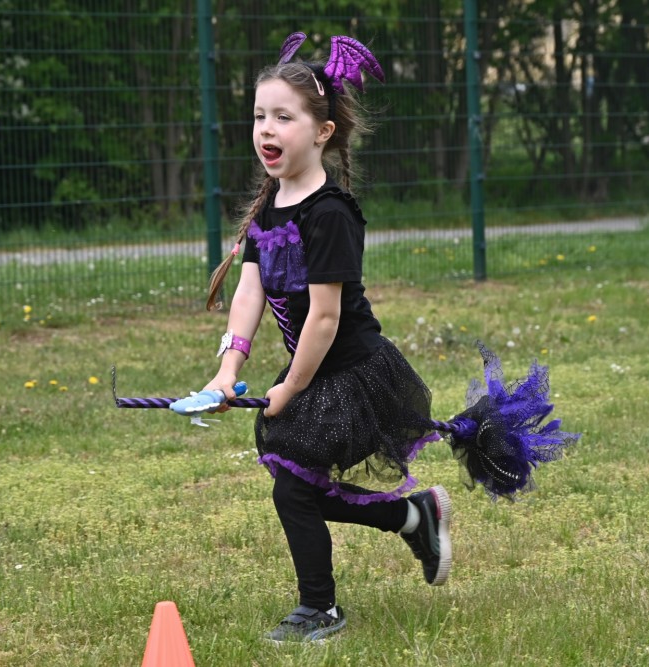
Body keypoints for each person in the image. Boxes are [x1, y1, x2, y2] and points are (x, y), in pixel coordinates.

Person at [201, 33, 452, 644]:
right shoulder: (269, 207)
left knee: (294, 488)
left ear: (323, 131)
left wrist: (289, 388)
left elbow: (323, 319)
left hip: (353, 375)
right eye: (259, 116)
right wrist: (227, 370)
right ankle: (413, 515)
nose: (266, 128)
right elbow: (249, 294)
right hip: (313, 372)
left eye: (283, 117)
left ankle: (321, 607)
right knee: (301, 488)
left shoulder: (330, 212)